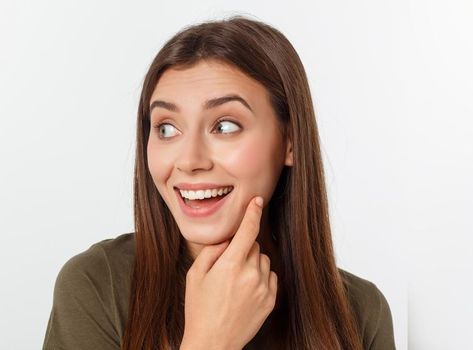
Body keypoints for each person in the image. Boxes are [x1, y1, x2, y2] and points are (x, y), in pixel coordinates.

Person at [42, 16, 395, 350]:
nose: (190, 160)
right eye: (167, 128)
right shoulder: (98, 284)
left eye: (225, 126)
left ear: (290, 142)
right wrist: (210, 340)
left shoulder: (361, 310)